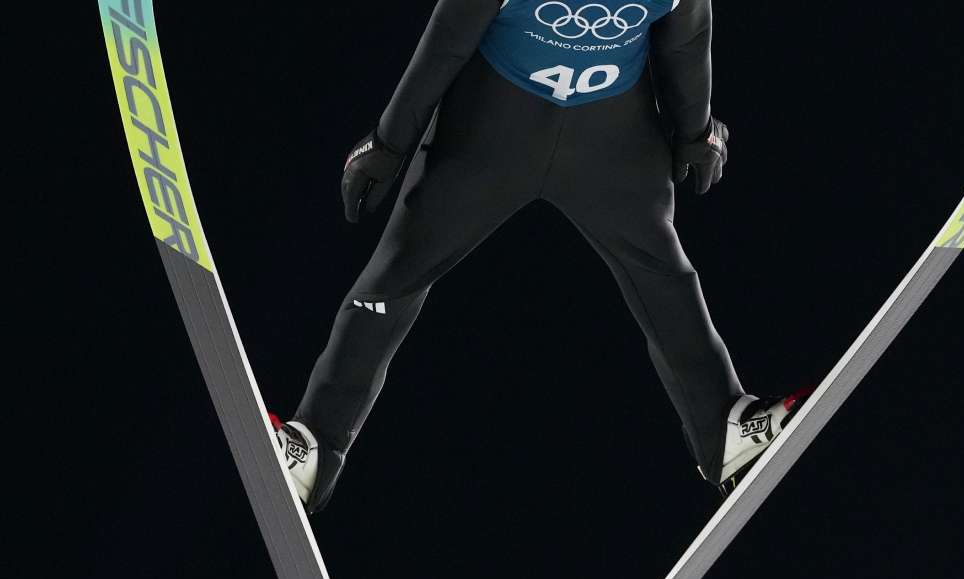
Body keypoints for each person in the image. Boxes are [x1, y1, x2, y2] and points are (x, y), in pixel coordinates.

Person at [270, 0, 811, 514]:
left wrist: (696, 132)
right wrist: (388, 145)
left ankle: (725, 431)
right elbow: (448, 41)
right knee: (396, 275)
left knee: (664, 276)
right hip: (492, 128)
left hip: (607, 139)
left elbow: (686, 37)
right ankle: (316, 444)